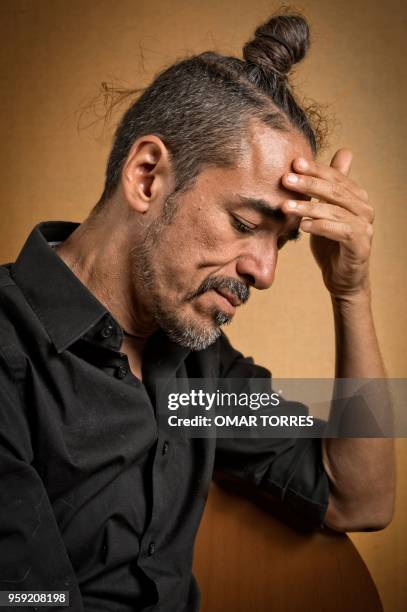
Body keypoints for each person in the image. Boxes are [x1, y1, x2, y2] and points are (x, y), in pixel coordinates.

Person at [0, 11, 395, 612]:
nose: (264, 273)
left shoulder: (197, 379)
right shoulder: (10, 359)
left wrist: (351, 292)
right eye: (245, 224)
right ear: (148, 175)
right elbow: (31, 601)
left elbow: (360, 499)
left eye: (280, 242)